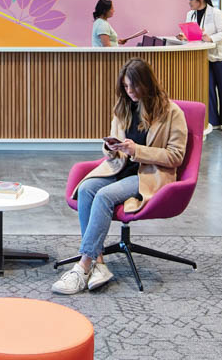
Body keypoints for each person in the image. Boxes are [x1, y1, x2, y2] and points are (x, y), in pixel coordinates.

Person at [53, 58, 188, 295]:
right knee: (86, 188)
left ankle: (84, 263)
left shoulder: (171, 112)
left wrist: (137, 150)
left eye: (134, 86)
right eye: (126, 87)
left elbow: (175, 156)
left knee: (104, 196)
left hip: (149, 175)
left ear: (147, 83)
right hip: (119, 168)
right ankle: (100, 263)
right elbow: (112, 149)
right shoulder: (124, 107)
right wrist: (111, 148)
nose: (131, 92)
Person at [188, 0, 222, 132]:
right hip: (206, 57)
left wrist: (211, 38)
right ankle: (213, 120)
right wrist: (184, 36)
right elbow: (193, 34)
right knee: (208, 89)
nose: (189, 2)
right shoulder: (191, 14)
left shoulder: (216, 13)